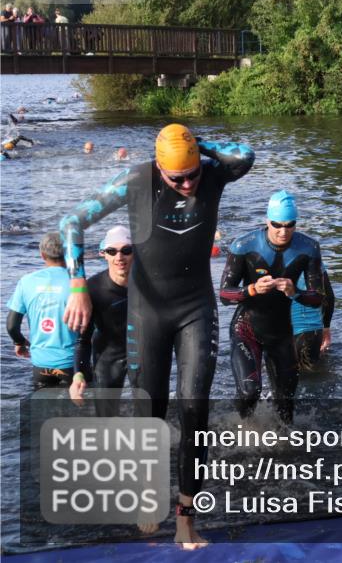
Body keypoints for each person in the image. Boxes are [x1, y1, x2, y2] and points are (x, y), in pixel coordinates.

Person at [59, 123, 254, 548]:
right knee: (151, 412)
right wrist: (77, 285)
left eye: (191, 176)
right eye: (176, 177)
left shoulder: (212, 172)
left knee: (195, 411)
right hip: (147, 312)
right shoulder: (136, 180)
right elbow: (71, 221)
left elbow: (245, 154)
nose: (186, 184)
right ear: (159, 168)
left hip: (194, 308)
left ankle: (186, 516)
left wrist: (195, 146)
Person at [219, 190, 323, 424]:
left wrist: (295, 292)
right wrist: (251, 290)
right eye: (277, 224)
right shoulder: (243, 245)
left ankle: (285, 454)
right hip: (246, 330)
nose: (283, 231)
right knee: (249, 393)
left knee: (286, 408)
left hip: (282, 333)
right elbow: (225, 294)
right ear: (267, 221)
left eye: (290, 225)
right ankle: (237, 433)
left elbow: (318, 298)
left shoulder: (309, 248)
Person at [69, 226, 132, 417]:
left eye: (126, 250)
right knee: (106, 419)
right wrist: (78, 373)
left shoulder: (150, 284)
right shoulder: (94, 289)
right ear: (103, 254)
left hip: (144, 355)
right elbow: (83, 339)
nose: (119, 257)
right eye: (112, 251)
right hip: (108, 355)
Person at [6, 233, 78, 391]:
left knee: (42, 411)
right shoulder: (78, 283)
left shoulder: (26, 282)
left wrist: (19, 343)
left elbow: (11, 326)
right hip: (72, 363)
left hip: (40, 364)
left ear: (42, 255)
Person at [292, 267, 334, 371]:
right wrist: (326, 328)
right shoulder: (312, 257)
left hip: (277, 331)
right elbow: (329, 297)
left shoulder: (264, 256)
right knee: (316, 373)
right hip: (310, 330)